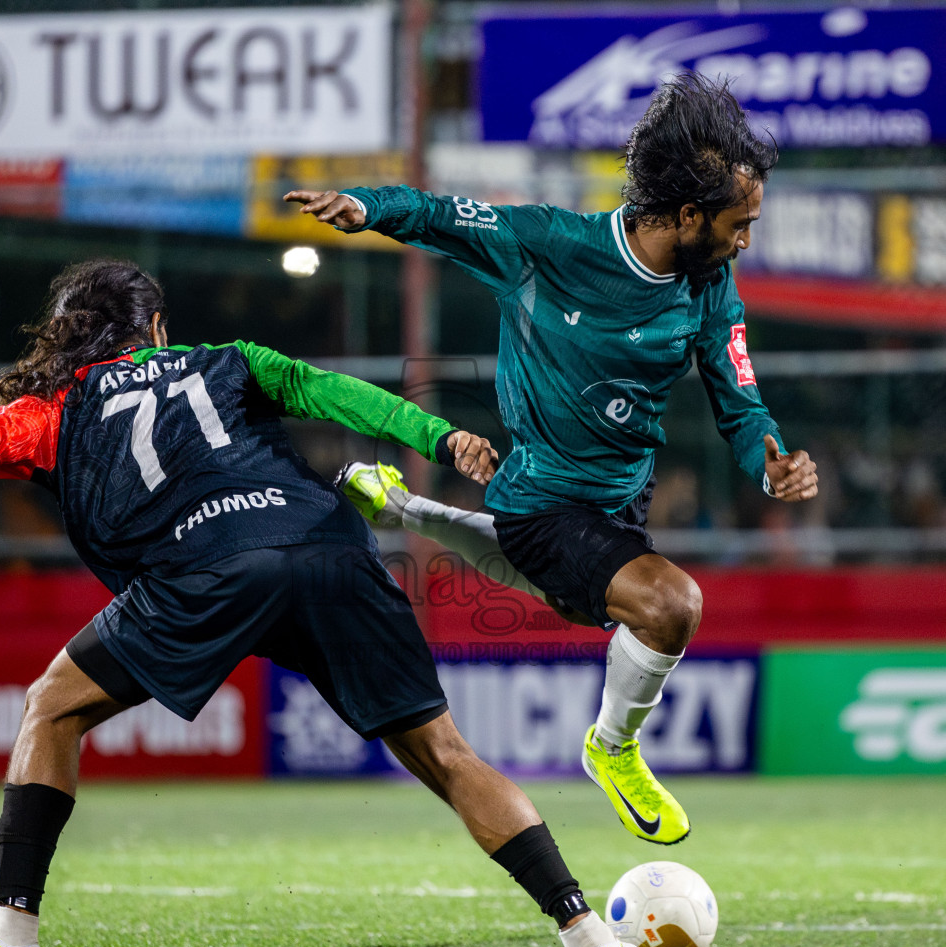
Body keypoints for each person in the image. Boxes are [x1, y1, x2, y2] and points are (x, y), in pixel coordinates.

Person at [0, 258, 644, 947]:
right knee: (447, 755)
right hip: (325, 543)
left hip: (206, 568)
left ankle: (11, 937)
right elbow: (343, 397)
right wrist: (442, 438)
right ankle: (585, 934)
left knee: (51, 708)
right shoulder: (235, 359)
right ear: (158, 330)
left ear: (67, 335)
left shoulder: (47, 413)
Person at [288, 74, 819, 847]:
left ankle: (401, 506)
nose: (747, 241)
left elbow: (738, 398)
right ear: (688, 214)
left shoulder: (710, 285)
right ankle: (613, 750)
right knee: (669, 605)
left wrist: (768, 458)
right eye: (741, 225)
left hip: (620, 503)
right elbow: (443, 216)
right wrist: (369, 207)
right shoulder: (550, 245)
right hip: (542, 500)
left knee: (583, 606)